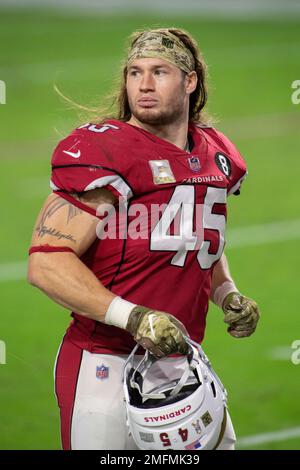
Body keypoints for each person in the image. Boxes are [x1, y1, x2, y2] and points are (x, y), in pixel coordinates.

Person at [27, 27, 260, 450]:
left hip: (182, 363)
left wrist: (227, 292)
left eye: (159, 71)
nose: (144, 84)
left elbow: (193, 240)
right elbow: (47, 262)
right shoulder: (108, 151)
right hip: (105, 364)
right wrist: (133, 317)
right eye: (134, 72)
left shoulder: (215, 153)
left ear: (190, 82)